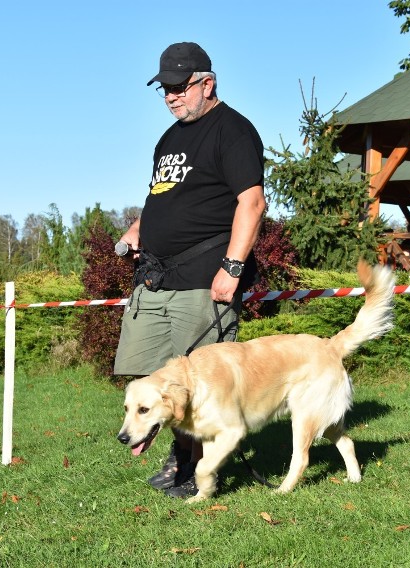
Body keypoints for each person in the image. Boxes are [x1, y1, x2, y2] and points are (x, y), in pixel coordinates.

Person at [113, 42, 266, 499]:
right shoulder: (169, 138)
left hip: (204, 280)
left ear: (207, 83)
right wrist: (135, 233)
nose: (172, 97)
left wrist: (232, 269)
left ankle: (193, 465)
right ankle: (182, 453)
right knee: (149, 378)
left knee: (199, 386)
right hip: (155, 280)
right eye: (164, 90)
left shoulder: (234, 131)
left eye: (179, 88)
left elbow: (252, 203)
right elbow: (161, 199)